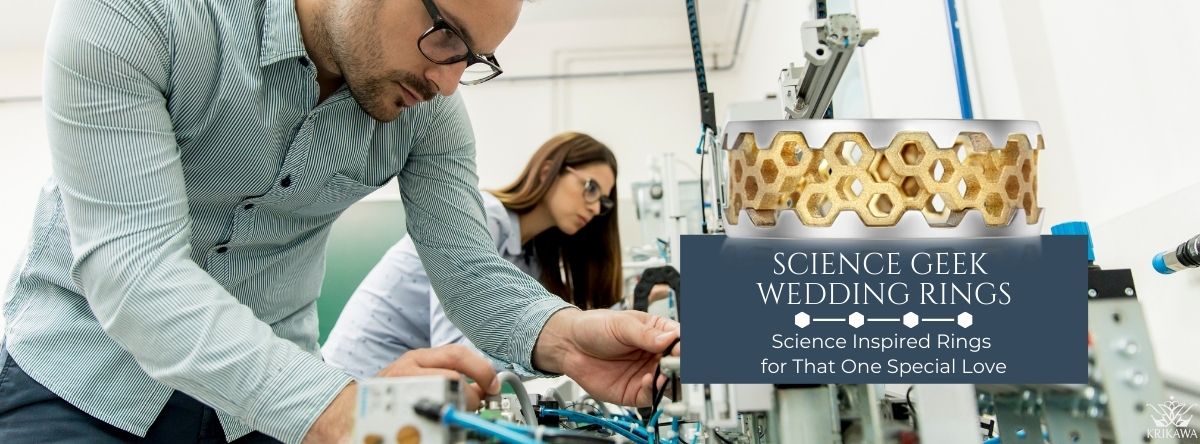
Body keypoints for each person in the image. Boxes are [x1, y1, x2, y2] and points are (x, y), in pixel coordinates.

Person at [0, 0, 679, 442]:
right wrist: (338, 406)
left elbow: (469, 271)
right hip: (81, 382)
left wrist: (567, 339)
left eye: (472, 62)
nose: (446, 83)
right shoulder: (138, 14)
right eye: (445, 36)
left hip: (251, 417)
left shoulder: (428, 114)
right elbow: (134, 274)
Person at [324, 132, 627, 379]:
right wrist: (558, 354)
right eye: (590, 188)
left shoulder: (529, 259)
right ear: (548, 171)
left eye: (604, 202)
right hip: (358, 379)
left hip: (407, 391)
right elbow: (455, 350)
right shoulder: (483, 217)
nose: (596, 208)